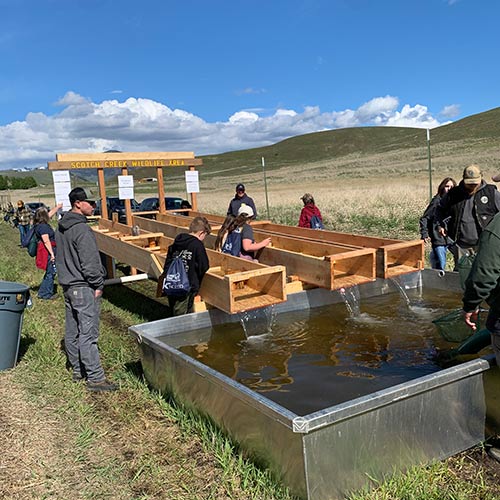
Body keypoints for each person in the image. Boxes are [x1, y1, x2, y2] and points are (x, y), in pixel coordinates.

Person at [55, 187, 117, 392]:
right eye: (90, 202)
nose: (94, 205)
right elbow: (90, 263)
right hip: (83, 286)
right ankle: (96, 378)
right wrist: (98, 284)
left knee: (72, 331)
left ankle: (77, 370)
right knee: (88, 333)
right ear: (78, 204)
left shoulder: (62, 226)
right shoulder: (82, 229)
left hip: (68, 285)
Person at [435, 165, 500, 269]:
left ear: (481, 178)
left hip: (485, 246)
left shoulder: (491, 193)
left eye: (475, 183)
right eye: (469, 184)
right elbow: (439, 209)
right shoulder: (454, 194)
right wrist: (440, 225)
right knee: (461, 277)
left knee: (483, 276)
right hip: (461, 246)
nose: (472, 186)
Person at [163, 216, 211, 316]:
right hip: (187, 285)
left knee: (174, 306)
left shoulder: (177, 241)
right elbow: (204, 266)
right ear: (201, 232)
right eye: (205, 235)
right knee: (183, 313)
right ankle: (178, 329)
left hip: (172, 281)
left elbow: (168, 260)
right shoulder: (197, 245)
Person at [419, 177, 456, 270]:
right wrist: (424, 234)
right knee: (440, 265)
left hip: (452, 238)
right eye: (447, 186)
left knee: (461, 260)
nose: (449, 189)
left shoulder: (456, 202)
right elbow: (425, 218)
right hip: (438, 238)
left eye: (452, 186)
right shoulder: (436, 202)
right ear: (442, 187)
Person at [33, 204, 63, 299]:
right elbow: (46, 241)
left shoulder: (39, 224)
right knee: (51, 273)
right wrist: (52, 254)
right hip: (48, 252)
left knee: (50, 272)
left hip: (48, 251)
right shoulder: (43, 227)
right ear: (43, 216)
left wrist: (58, 207)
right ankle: (45, 294)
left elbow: (49, 214)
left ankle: (43, 292)